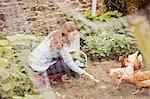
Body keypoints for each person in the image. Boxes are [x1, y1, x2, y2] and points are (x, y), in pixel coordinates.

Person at [29, 21, 99, 83]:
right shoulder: (62, 46)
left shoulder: (55, 33)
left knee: (62, 59)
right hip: (39, 66)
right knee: (66, 66)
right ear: (67, 32)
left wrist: (68, 53)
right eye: (73, 34)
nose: (74, 37)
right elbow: (71, 64)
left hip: (33, 60)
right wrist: (88, 75)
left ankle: (58, 78)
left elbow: (52, 51)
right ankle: (42, 78)